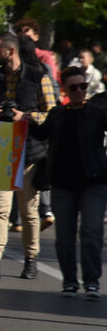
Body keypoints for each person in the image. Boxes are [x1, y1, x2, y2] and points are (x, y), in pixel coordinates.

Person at [0, 32, 55, 280]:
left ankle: (31, 258)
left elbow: (52, 114)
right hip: (1, 151)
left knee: (28, 211)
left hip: (30, 153)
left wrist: (26, 116)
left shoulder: (37, 76)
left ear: (10, 51)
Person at [30, 66, 107, 299]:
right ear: (65, 90)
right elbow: (41, 134)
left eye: (83, 86)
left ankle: (92, 281)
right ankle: (70, 281)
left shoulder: (98, 111)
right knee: (64, 236)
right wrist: (25, 117)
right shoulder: (58, 114)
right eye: (74, 87)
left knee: (92, 230)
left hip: (94, 182)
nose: (80, 91)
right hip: (63, 184)